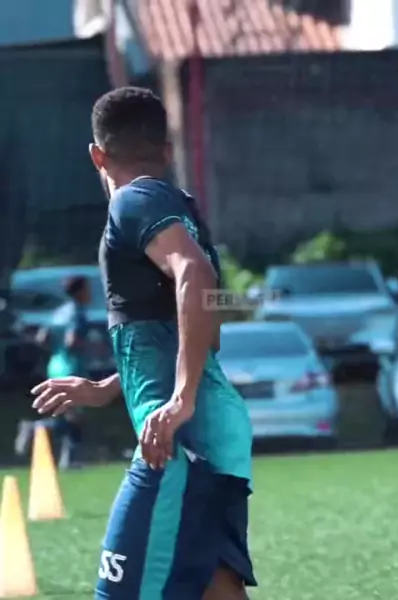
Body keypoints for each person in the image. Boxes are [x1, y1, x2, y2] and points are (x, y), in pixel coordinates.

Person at [31, 87, 255, 600]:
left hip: (180, 444)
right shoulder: (182, 210)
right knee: (215, 589)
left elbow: (194, 276)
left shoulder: (134, 200)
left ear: (97, 155)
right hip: (212, 432)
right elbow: (200, 320)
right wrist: (111, 386)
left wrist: (179, 400)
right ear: (168, 150)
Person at [15, 275, 90, 469]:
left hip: (55, 366)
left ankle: (68, 459)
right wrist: (89, 347)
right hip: (72, 368)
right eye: (87, 289)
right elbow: (72, 341)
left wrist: (57, 351)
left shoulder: (58, 313)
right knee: (74, 416)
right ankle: (36, 429)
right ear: (80, 291)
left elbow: (42, 338)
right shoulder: (77, 313)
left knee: (68, 414)